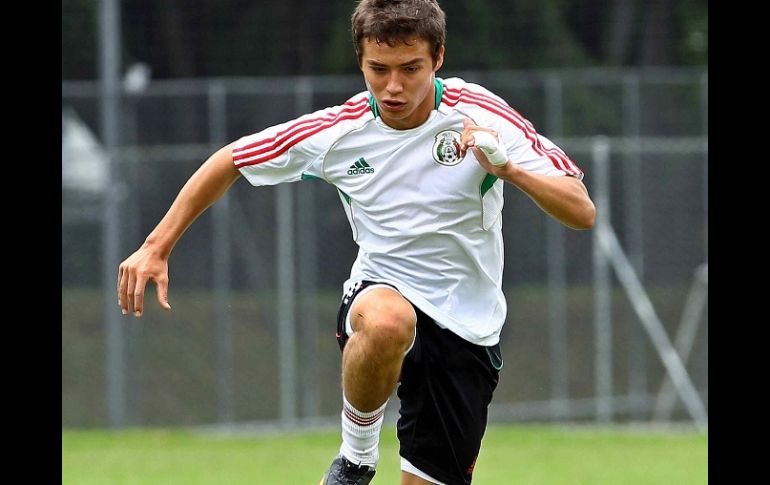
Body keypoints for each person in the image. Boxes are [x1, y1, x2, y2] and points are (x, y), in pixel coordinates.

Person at [117, 0, 596, 483]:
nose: (393, 86)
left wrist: (508, 170)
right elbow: (230, 161)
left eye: (411, 69)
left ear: (438, 59)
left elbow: (581, 210)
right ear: (361, 61)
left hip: (467, 328)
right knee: (389, 321)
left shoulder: (482, 116)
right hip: (380, 292)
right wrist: (156, 246)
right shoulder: (338, 131)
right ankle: (356, 459)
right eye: (378, 69)